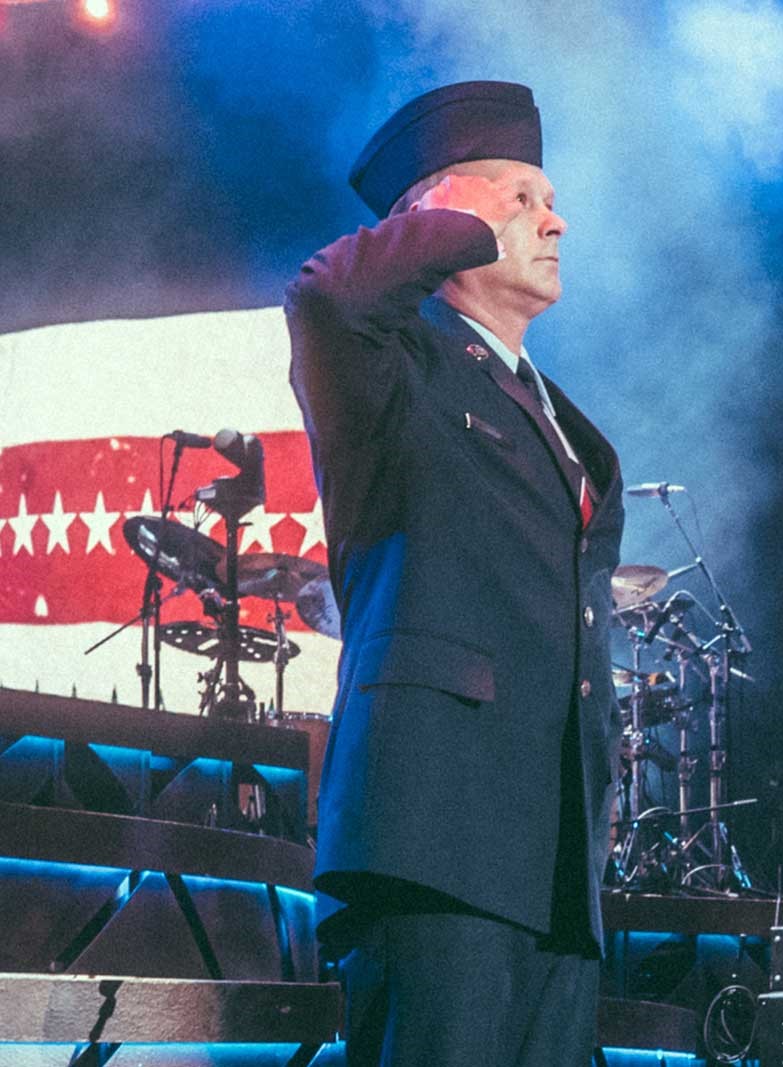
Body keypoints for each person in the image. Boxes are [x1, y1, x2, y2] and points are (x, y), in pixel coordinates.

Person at [284, 81, 623, 1067]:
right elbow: (328, 291)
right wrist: (451, 217)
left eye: (550, 198)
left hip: (554, 867)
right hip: (435, 844)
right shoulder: (394, 364)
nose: (554, 218)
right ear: (439, 212)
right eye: (522, 195)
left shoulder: (554, 413)